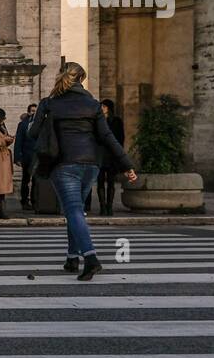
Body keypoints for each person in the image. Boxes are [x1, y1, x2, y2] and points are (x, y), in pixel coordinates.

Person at [27, 62, 137, 281]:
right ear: (81, 79)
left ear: (61, 76)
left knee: (74, 211)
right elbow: (107, 137)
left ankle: (91, 258)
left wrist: (38, 122)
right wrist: (127, 165)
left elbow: (33, 133)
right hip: (91, 165)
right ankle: (71, 258)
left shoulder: (49, 104)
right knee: (74, 211)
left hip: (65, 164)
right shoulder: (93, 104)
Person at [97, 99, 126, 216]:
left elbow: (120, 138)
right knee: (99, 182)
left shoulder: (117, 121)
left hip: (112, 156)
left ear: (108, 108)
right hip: (100, 155)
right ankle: (102, 207)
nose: (101, 108)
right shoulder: (98, 120)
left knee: (111, 182)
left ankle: (109, 207)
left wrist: (118, 154)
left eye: (103, 106)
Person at [13, 102, 38, 210]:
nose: (34, 113)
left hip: (37, 157)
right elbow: (18, 141)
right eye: (32, 111)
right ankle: (24, 201)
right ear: (28, 112)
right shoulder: (23, 124)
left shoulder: (40, 123)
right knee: (25, 180)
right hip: (26, 156)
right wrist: (17, 157)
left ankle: (35, 201)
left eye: (36, 111)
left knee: (36, 180)